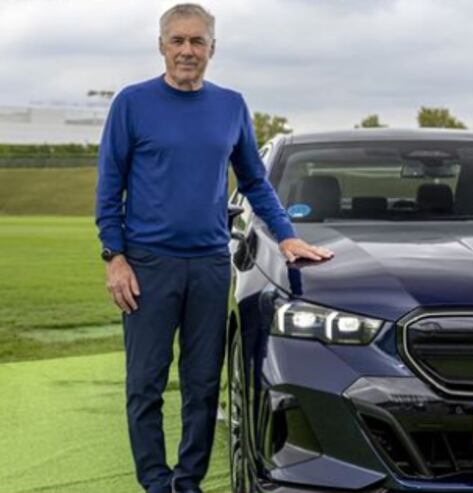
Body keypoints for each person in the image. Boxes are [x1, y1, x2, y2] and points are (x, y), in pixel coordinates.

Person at [94, 4, 333, 493]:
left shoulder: (231, 106)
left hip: (208, 265)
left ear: (212, 49)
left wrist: (287, 235)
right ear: (162, 46)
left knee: (203, 385)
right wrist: (114, 257)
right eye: (178, 41)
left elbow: (255, 182)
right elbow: (108, 186)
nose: (187, 50)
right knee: (146, 384)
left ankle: (189, 483)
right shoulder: (132, 104)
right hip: (146, 265)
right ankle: (155, 483)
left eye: (197, 41)